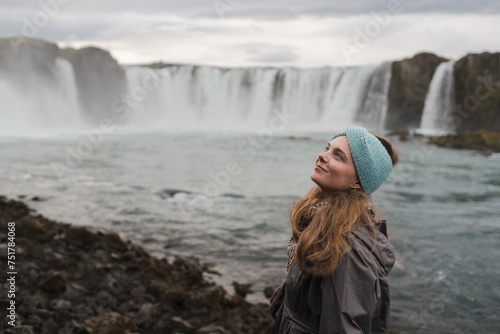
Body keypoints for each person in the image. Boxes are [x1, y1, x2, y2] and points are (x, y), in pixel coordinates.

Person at [270, 126, 399, 333]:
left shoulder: (347, 249)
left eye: (338, 156)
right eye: (327, 148)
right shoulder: (322, 220)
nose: (322, 156)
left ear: (358, 182)